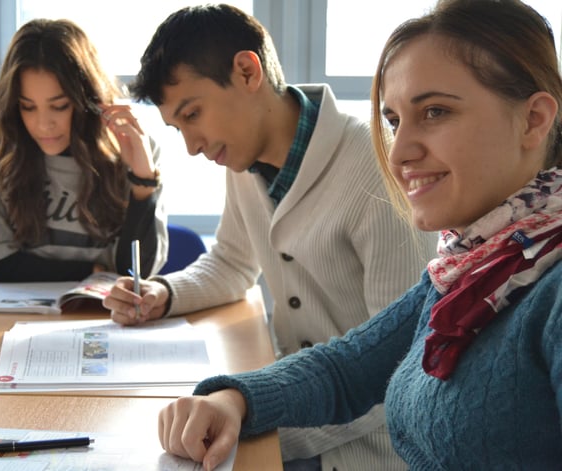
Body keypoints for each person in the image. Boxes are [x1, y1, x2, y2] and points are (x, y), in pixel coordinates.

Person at [156, 0, 562, 469]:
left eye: (434, 111)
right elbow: (347, 369)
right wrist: (235, 399)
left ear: (534, 120)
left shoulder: (546, 292)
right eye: (393, 121)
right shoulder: (473, 265)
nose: (399, 152)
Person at [103, 4, 433, 469]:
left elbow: (396, 368)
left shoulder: (374, 170)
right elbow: (233, 263)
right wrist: (164, 292)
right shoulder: (242, 160)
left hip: (364, 449)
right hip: (290, 408)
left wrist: (262, 426)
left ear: (246, 71)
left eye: (193, 114)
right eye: (178, 129)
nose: (192, 146)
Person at [0, 19, 168, 283]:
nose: (43, 124)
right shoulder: (1, 146)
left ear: (86, 101)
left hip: (106, 316)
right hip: (20, 316)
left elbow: (135, 274)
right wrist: (91, 272)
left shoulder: (131, 149)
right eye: (27, 107)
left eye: (60, 106)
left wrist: (143, 182)